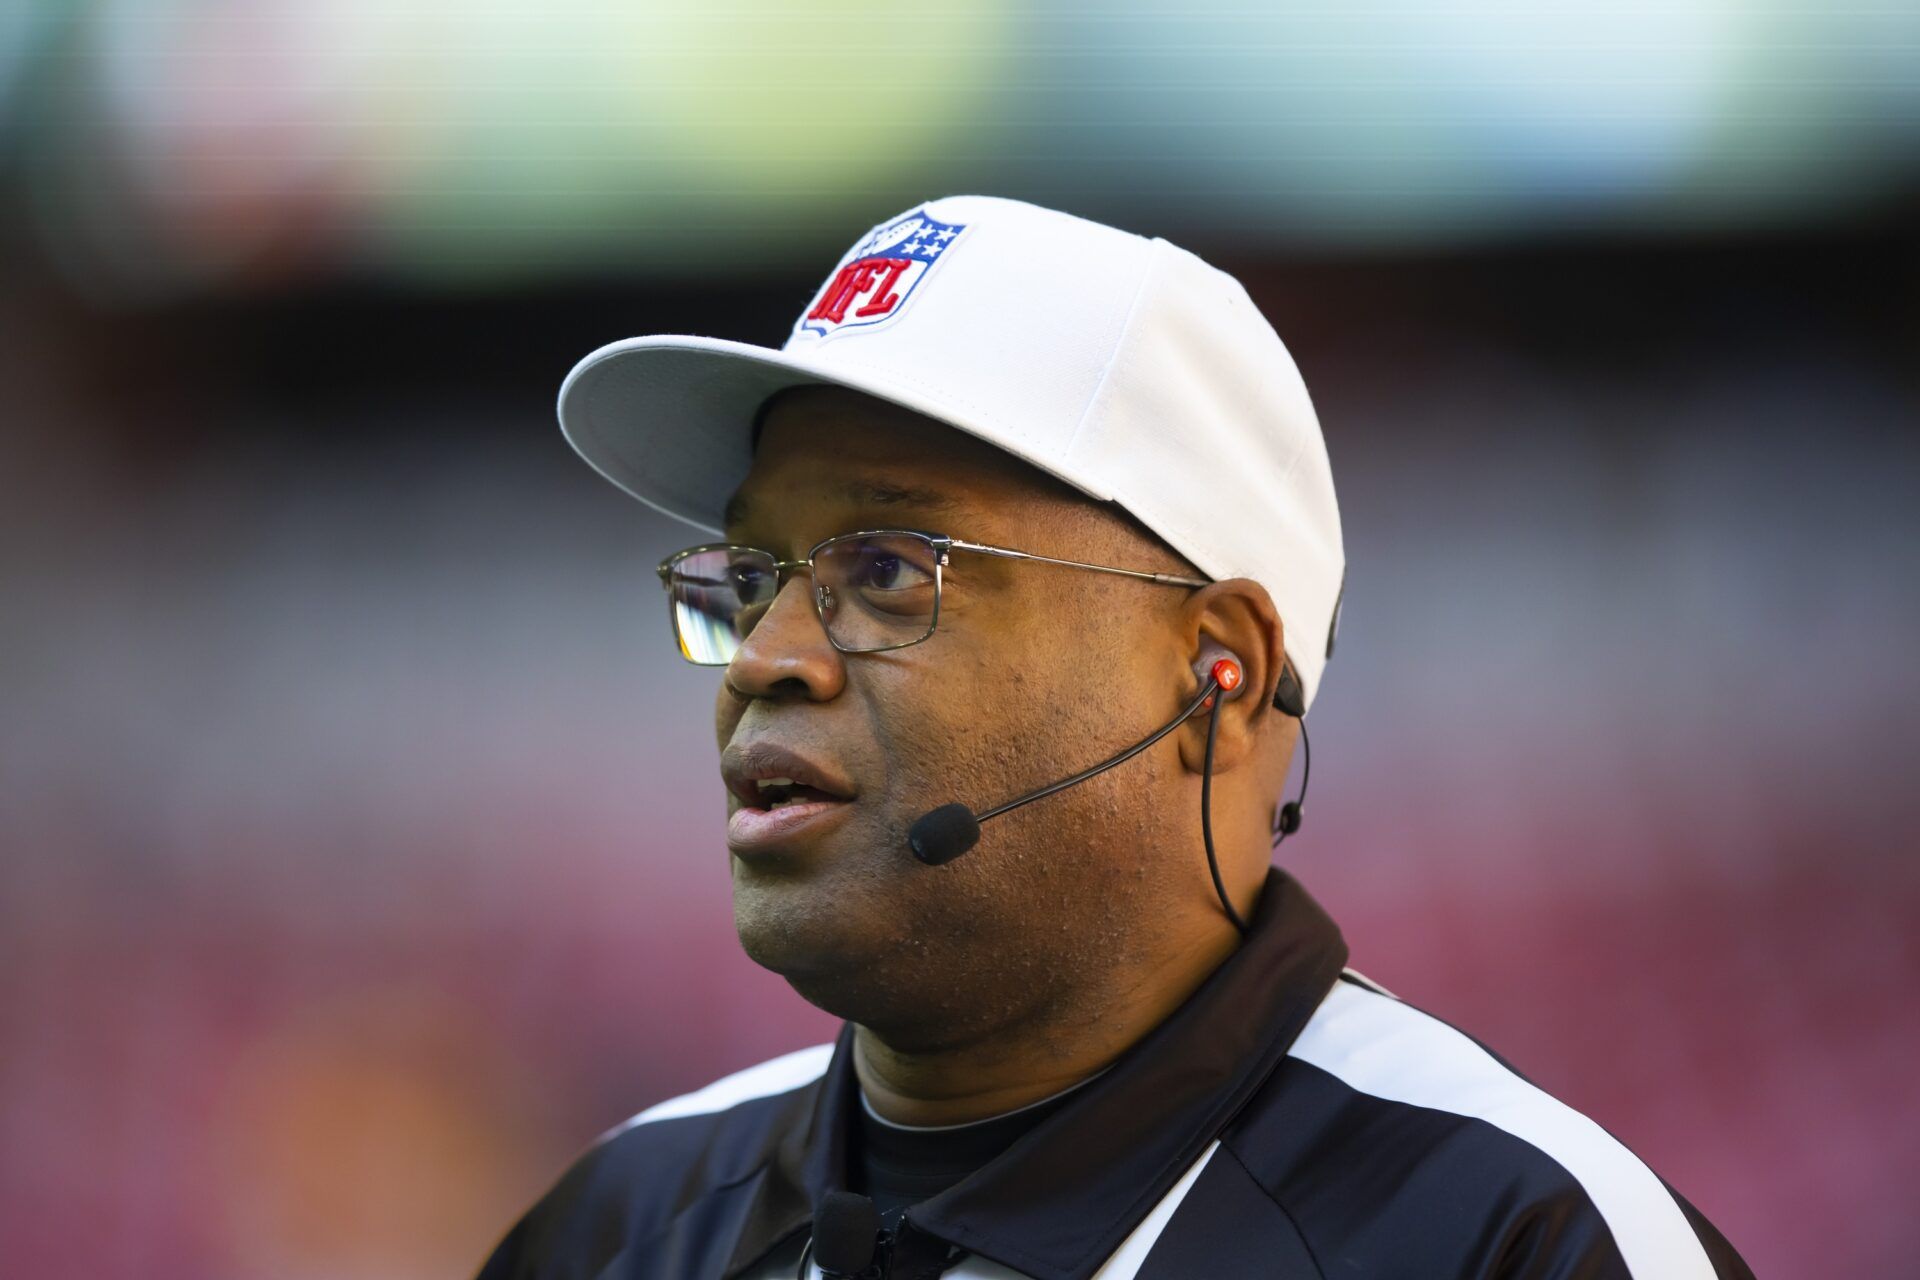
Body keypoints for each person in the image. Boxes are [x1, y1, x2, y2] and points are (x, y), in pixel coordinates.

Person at [477, 196, 1752, 1279]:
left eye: (883, 568)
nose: (764, 655)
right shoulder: (617, 1227)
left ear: (1221, 672)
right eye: (752, 574)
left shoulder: (1510, 1234)